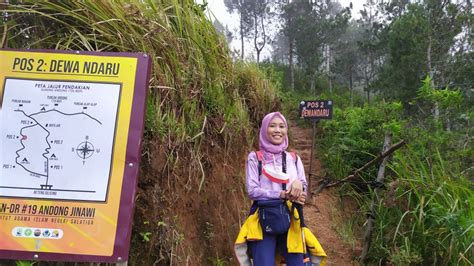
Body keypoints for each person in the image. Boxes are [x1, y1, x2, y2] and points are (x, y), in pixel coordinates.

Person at [235, 111, 327, 266]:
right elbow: (252, 190)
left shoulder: (293, 158)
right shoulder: (255, 158)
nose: (277, 130)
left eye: (282, 126)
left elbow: (303, 188)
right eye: (272, 126)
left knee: (297, 263)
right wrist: (281, 194)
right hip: (264, 217)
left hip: (292, 218)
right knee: (263, 262)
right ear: (264, 129)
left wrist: (299, 185)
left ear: (286, 130)